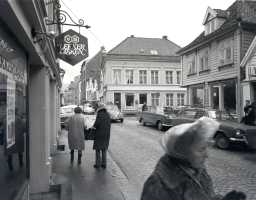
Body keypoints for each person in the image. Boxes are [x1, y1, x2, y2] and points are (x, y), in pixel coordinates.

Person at [141, 117, 246, 200]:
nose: (206, 155)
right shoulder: (158, 186)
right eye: (201, 149)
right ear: (183, 152)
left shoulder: (197, 172)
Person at [92, 102, 111, 169]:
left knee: (97, 149)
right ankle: (104, 164)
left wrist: (93, 127)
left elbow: (97, 124)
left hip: (99, 134)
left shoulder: (99, 114)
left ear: (99, 108)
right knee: (104, 149)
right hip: (106, 135)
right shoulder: (108, 114)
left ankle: (98, 164)